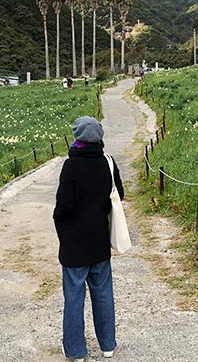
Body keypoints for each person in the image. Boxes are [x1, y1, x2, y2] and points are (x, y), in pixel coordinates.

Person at [53, 116, 124, 361]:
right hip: (99, 240)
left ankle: (76, 351)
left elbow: (63, 206)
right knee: (103, 293)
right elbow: (119, 195)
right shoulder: (108, 162)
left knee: (74, 297)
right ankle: (107, 346)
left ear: (77, 138)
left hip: (74, 244)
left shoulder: (71, 166)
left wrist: (61, 229)